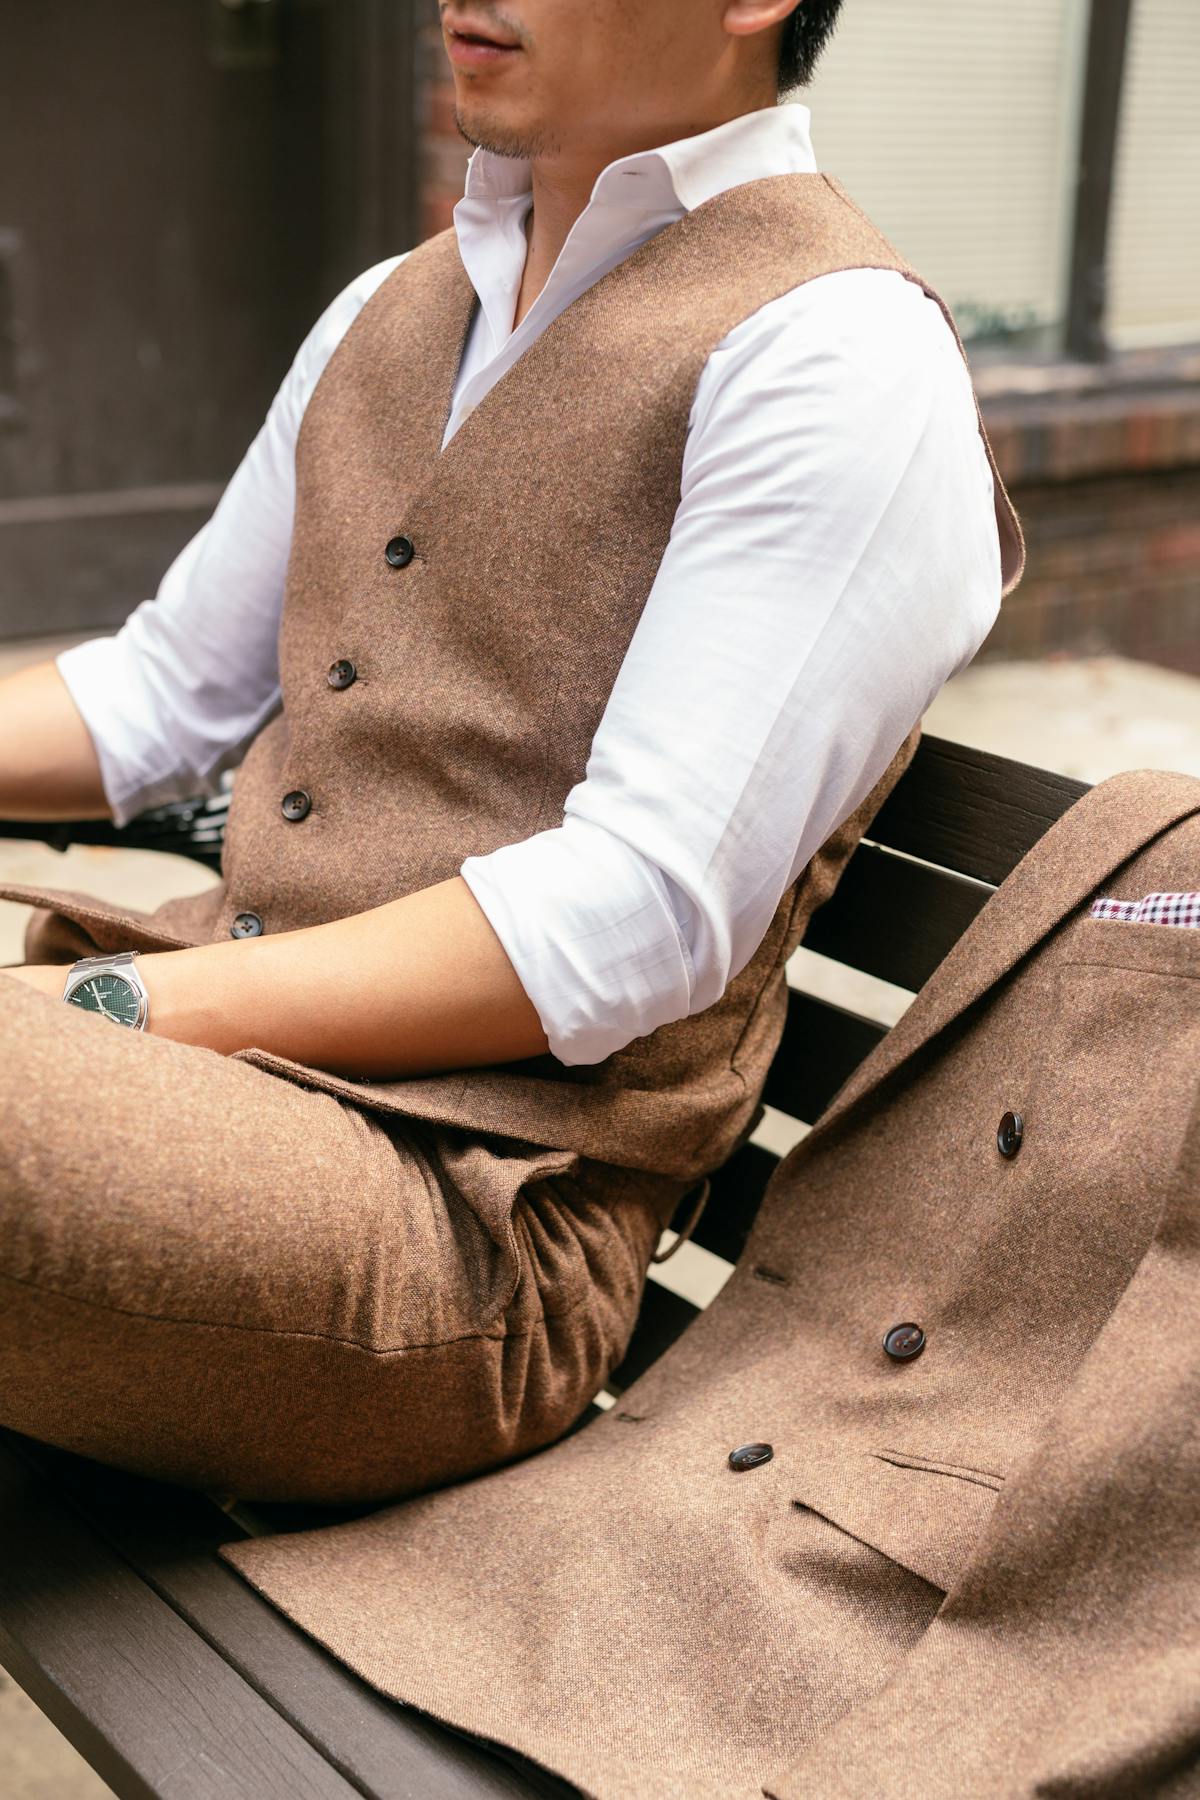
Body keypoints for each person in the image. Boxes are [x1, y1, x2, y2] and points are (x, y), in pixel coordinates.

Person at [0, 0, 1021, 1502]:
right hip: (207, 1117)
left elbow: (637, 913)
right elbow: (156, 695)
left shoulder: (839, 356)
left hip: (470, 1227)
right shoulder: (389, 309)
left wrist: (121, 1005)